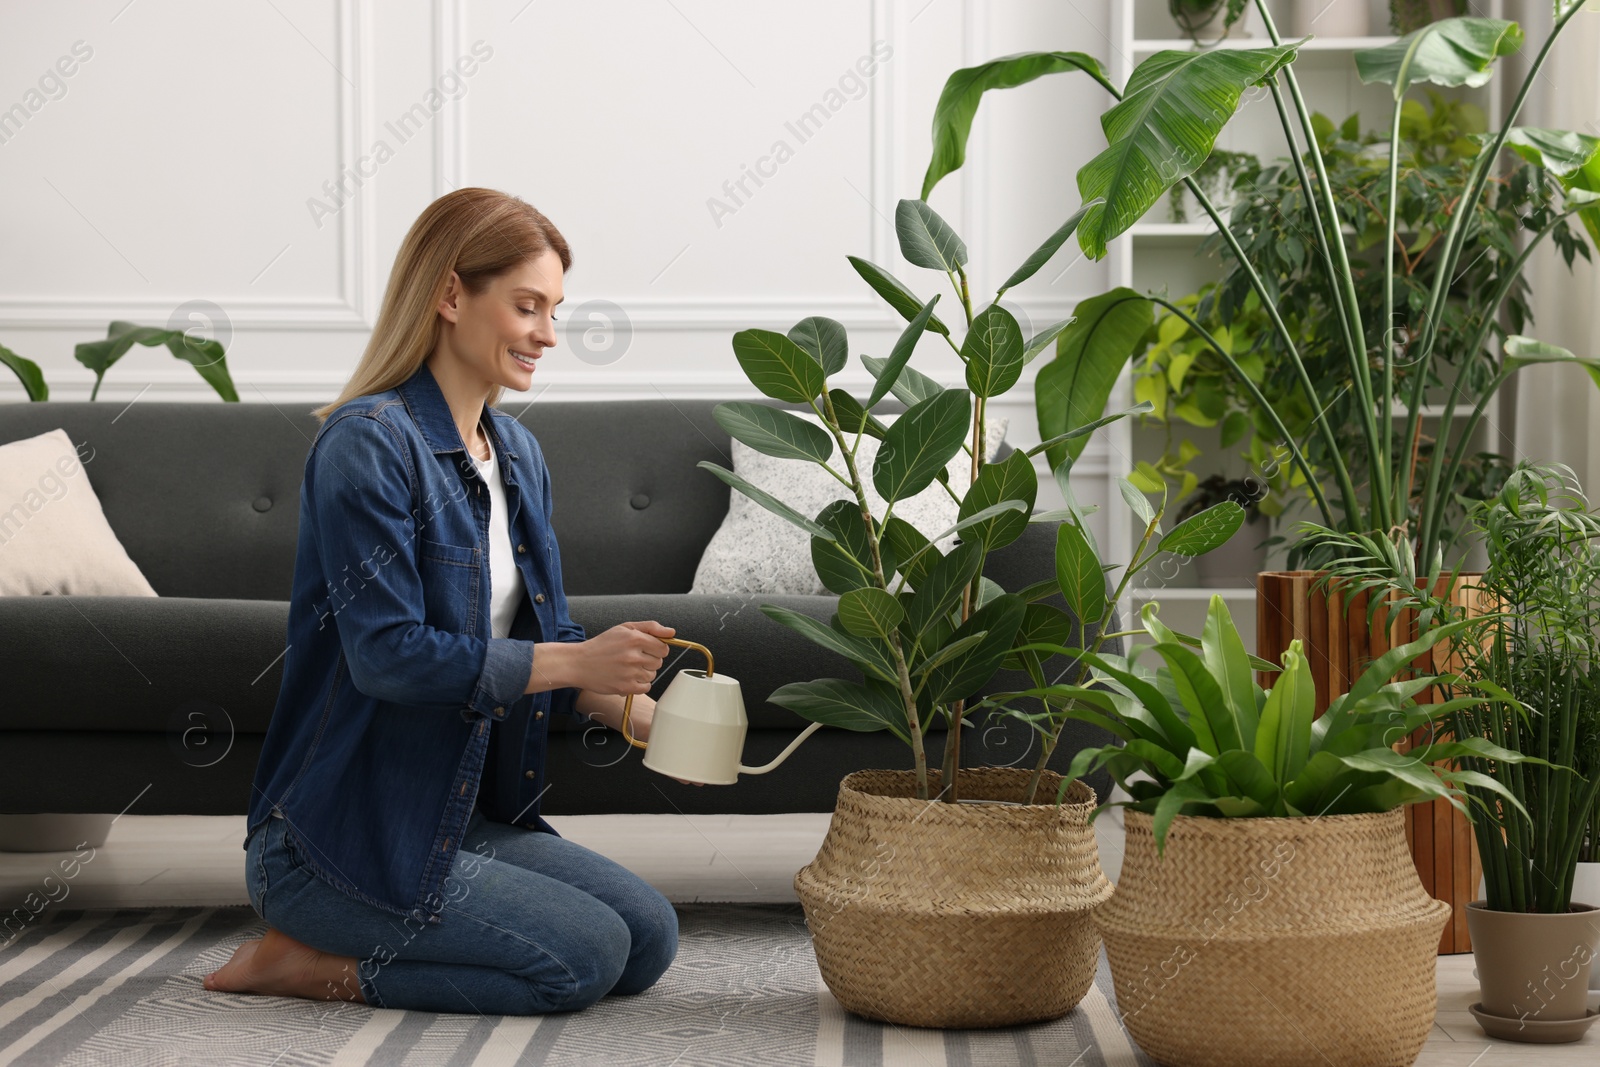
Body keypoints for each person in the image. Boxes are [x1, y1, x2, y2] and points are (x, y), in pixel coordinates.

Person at [205, 187, 696, 1014]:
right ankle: (303, 962)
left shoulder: (520, 453)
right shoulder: (366, 443)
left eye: (554, 310)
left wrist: (640, 713)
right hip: (334, 839)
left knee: (647, 936)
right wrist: (574, 658)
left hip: (452, 816)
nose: (547, 333)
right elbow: (387, 654)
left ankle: (354, 938)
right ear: (450, 294)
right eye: (527, 305)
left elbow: (549, 639)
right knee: (581, 958)